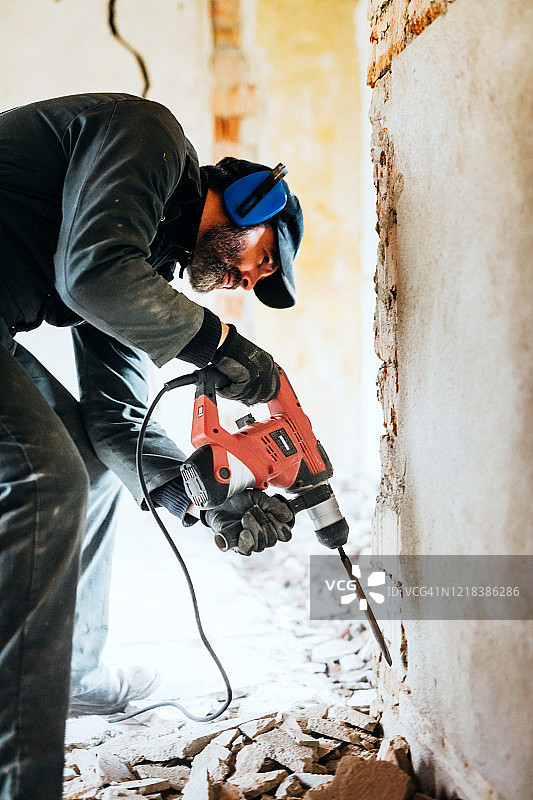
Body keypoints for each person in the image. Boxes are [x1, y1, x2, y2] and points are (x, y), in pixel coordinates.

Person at [0, 92, 304, 800]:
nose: (248, 282)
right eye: (265, 262)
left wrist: (208, 498)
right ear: (253, 203)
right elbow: (93, 274)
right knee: (47, 478)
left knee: (84, 462)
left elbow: (118, 419)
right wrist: (220, 346)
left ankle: (74, 674)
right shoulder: (150, 135)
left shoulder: (141, 263)